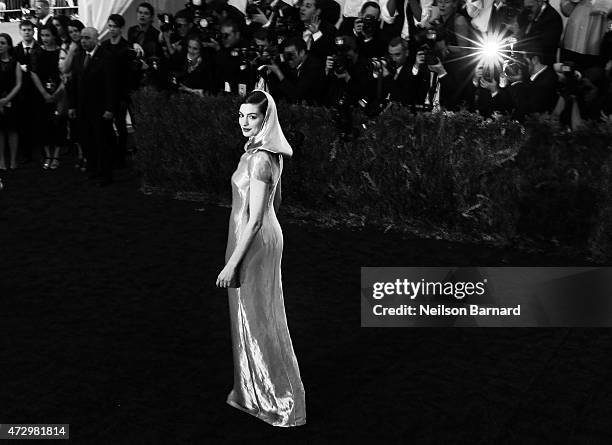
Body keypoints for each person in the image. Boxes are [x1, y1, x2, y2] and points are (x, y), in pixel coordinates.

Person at [216, 89, 306, 428]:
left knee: (257, 319)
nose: (244, 122)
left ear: (265, 120)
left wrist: (232, 263)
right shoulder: (263, 153)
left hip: (252, 242)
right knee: (254, 316)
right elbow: (273, 204)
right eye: (241, 115)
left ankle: (278, 400)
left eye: (252, 116)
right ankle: (253, 393)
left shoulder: (260, 159)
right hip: (259, 236)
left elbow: (254, 220)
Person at [68, 27, 117, 186]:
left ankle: (106, 174)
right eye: (82, 37)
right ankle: (94, 169)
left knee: (103, 142)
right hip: (83, 109)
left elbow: (111, 85)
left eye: (87, 38)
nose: (83, 40)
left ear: (96, 39)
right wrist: (72, 106)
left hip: (101, 109)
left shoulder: (106, 57)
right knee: (87, 141)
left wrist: (110, 108)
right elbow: (74, 84)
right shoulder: (78, 56)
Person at [30, 23, 66, 170]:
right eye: (43, 35)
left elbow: (66, 74)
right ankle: (47, 155)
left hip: (59, 94)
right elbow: (33, 73)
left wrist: (58, 92)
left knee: (58, 124)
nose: (45, 38)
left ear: (54, 36)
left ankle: (56, 155)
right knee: (43, 124)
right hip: (41, 95)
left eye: (48, 35)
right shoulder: (37, 52)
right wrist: (44, 93)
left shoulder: (61, 52)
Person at [0, 33, 23, 171]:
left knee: (12, 131)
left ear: (8, 45)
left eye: (2, 43)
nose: (0, 46)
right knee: (0, 132)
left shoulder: (15, 63)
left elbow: (18, 84)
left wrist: (7, 100)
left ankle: (13, 160)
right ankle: (1, 160)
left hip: (12, 101)